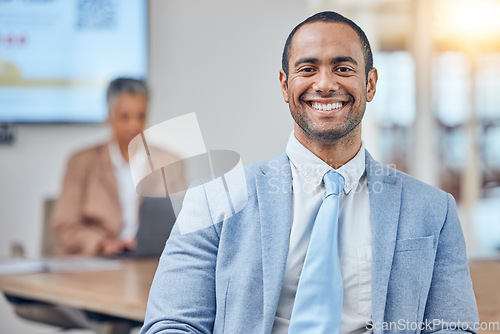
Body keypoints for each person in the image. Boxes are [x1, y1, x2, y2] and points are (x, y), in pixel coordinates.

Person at [140, 11, 479, 334]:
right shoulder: (212, 201)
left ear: (371, 84)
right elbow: (171, 323)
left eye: (343, 68)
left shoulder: (435, 210)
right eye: (308, 68)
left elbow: (452, 326)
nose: (325, 84)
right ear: (285, 85)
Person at [52, 77, 180, 256]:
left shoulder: (171, 162)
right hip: (96, 259)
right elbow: (65, 224)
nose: (133, 125)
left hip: (149, 261)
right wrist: (102, 243)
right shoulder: (81, 162)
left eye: (141, 116)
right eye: (124, 116)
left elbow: (182, 221)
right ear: (109, 117)